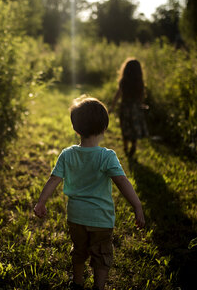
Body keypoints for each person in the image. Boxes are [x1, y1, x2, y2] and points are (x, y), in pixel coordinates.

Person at [34, 96, 145, 290]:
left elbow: (54, 180)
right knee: (101, 254)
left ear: (76, 129)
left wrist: (41, 202)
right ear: (104, 128)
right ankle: (98, 287)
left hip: (76, 216)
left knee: (79, 251)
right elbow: (122, 182)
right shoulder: (107, 156)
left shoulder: (67, 154)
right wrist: (137, 205)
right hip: (101, 218)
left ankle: (77, 283)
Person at [110, 58, 149, 157]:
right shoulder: (139, 82)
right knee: (134, 128)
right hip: (136, 109)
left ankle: (125, 147)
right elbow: (140, 96)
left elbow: (118, 95)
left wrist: (112, 106)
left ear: (126, 69)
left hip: (125, 108)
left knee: (125, 128)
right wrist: (142, 105)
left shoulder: (124, 81)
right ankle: (134, 145)